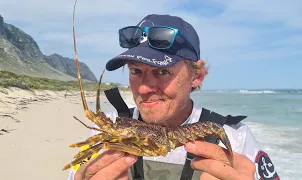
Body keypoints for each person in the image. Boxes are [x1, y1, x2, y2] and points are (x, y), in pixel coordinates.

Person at [67, 14, 280, 180]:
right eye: (135, 71)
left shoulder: (236, 137)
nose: (143, 89)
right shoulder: (107, 127)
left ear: (197, 76)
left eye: (162, 72)